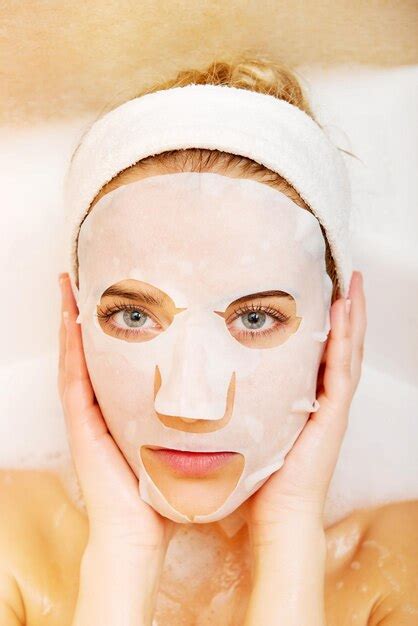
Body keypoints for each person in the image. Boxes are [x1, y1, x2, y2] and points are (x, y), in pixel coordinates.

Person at [0, 58, 417, 626]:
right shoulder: (10, 538)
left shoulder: (401, 562)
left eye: (255, 319)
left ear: (335, 336)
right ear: (74, 323)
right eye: (133, 316)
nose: (188, 404)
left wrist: (289, 530)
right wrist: (123, 550)